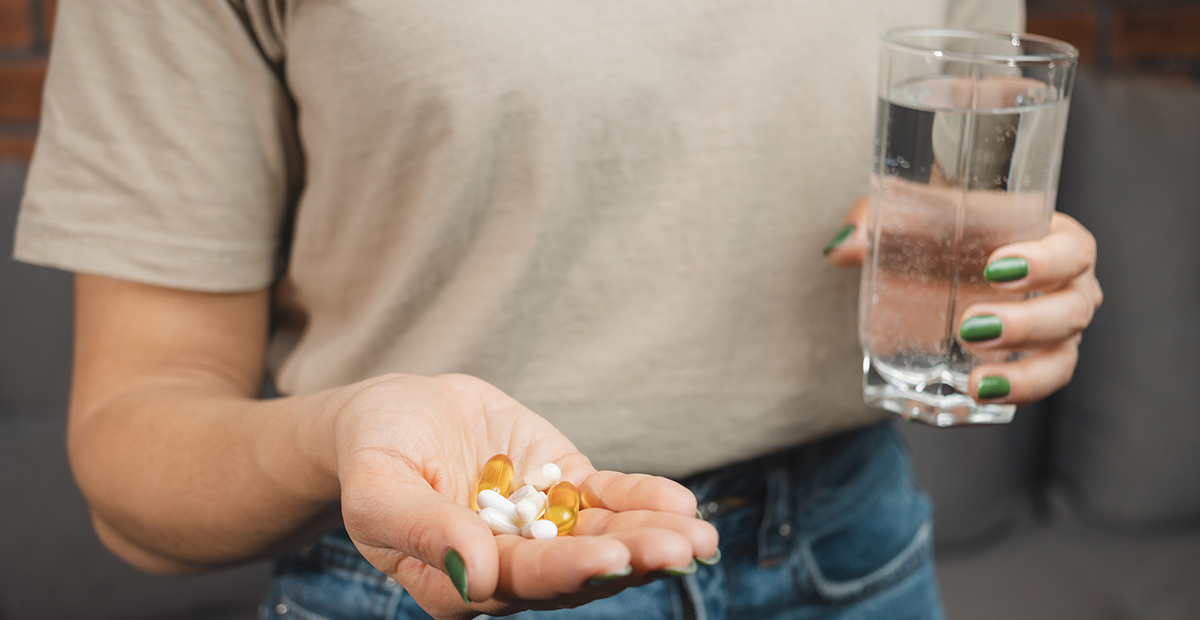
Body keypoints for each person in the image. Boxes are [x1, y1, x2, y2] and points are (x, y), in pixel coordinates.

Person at [13, 1, 1101, 619]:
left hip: (853, 554)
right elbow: (134, 444)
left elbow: (957, 196)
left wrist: (995, 291)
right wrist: (346, 427)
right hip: (440, 577)